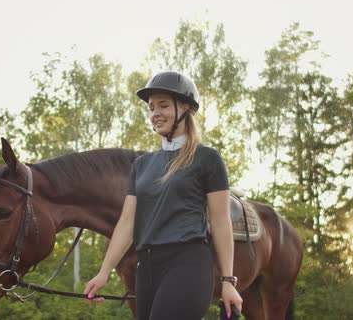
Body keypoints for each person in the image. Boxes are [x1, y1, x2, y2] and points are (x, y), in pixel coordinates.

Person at [84, 71, 243, 319]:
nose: (155, 113)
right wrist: (104, 272)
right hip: (146, 267)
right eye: (151, 108)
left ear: (185, 108)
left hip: (187, 263)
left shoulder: (208, 159)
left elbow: (221, 221)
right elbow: (127, 224)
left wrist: (228, 281)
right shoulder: (142, 165)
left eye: (163, 105)